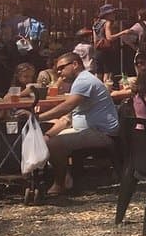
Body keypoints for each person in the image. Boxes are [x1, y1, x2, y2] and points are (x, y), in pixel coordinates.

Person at [43, 51, 120, 197]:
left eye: (61, 68)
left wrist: (38, 117)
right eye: (57, 69)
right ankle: (66, 177)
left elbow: (66, 107)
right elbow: (67, 118)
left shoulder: (84, 81)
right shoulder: (78, 83)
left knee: (54, 144)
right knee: (46, 139)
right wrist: (47, 135)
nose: (59, 72)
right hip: (86, 130)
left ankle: (60, 184)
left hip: (102, 133)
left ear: (75, 64)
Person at [91, 4, 123, 81]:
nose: (114, 15)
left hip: (98, 51)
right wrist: (123, 33)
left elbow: (95, 40)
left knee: (99, 73)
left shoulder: (96, 24)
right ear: (107, 15)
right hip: (107, 51)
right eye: (112, 13)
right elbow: (109, 38)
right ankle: (106, 91)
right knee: (107, 74)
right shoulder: (107, 23)